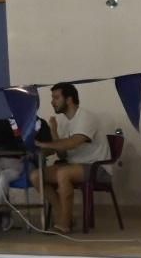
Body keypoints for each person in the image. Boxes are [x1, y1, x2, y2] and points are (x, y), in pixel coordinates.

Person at [32, 83, 112, 234]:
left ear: (69, 99)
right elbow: (62, 154)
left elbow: (73, 143)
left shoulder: (86, 117)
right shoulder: (63, 121)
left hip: (96, 167)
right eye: (52, 98)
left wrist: (44, 143)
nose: (52, 102)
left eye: (56, 98)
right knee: (36, 176)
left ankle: (64, 224)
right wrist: (53, 132)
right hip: (73, 165)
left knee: (63, 173)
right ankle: (65, 216)